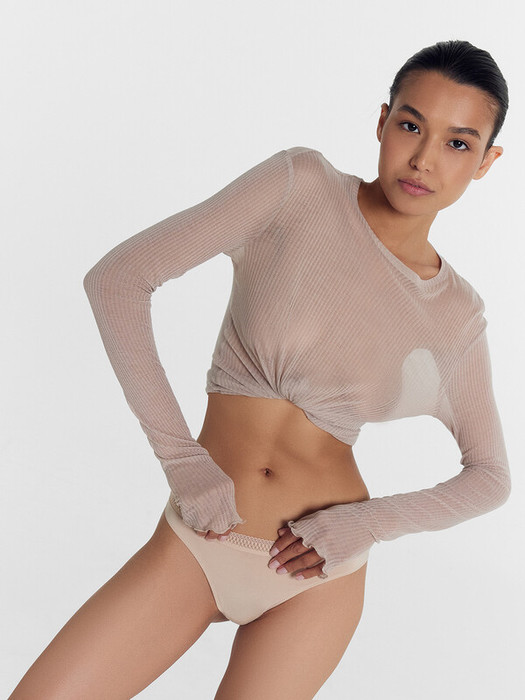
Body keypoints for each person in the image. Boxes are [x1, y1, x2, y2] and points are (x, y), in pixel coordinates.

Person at [10, 39, 511, 700]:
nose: (423, 159)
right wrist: (181, 459)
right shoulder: (299, 187)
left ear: (485, 162)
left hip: (315, 577)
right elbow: (117, 281)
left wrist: (366, 523)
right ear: (382, 121)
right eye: (411, 125)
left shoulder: (454, 313)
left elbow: (490, 476)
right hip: (194, 542)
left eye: (458, 143)